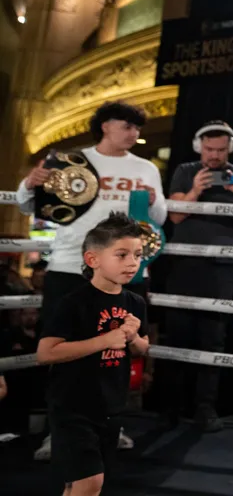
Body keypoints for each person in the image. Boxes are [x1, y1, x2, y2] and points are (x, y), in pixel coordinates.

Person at [16, 101, 164, 459]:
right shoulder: (71, 161)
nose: (134, 133)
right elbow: (27, 205)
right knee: (61, 350)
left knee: (117, 352)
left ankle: (110, 425)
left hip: (126, 271)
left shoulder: (145, 168)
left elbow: (158, 218)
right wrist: (29, 184)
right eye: (126, 125)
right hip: (70, 265)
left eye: (137, 127)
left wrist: (154, 202)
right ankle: (57, 432)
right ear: (105, 126)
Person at [36, 213, 150, 496]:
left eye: (137, 255)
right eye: (121, 255)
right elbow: (46, 353)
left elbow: (143, 348)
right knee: (90, 483)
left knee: (79, 484)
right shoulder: (74, 303)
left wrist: (133, 338)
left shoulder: (135, 302)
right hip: (72, 405)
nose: (132, 262)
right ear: (93, 259)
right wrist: (104, 341)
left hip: (111, 404)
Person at [162, 120, 233, 432]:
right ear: (199, 148)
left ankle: (205, 409)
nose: (214, 156)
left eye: (220, 150)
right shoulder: (185, 171)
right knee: (178, 336)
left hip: (222, 267)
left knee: (213, 340)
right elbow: (175, 215)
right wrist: (196, 190)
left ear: (229, 149)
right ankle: (171, 408)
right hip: (184, 264)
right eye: (209, 149)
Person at [0, 307, 45, 435]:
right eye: (26, 314)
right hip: (16, 392)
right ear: (20, 316)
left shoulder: (44, 336)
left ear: (38, 315)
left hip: (39, 390)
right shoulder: (9, 336)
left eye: (33, 313)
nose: (30, 317)